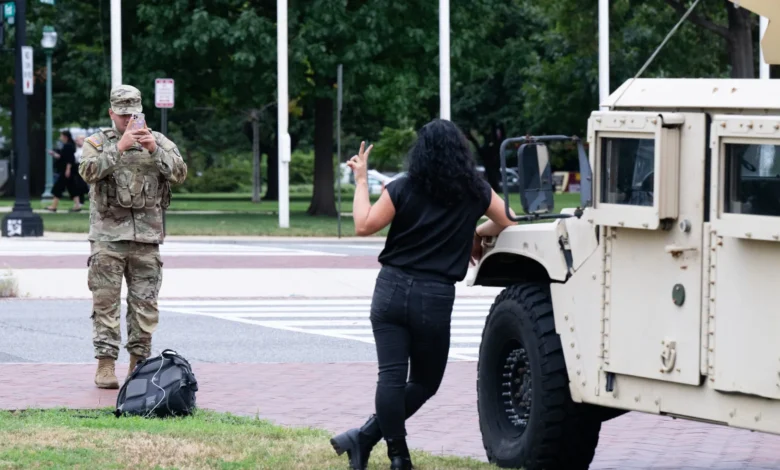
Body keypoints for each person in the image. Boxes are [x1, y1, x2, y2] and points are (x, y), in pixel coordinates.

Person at [329, 119, 516, 470]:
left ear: (421, 152)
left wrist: (359, 180)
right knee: (425, 382)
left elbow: (363, 224)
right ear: (461, 151)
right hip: (434, 297)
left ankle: (383, 448)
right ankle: (381, 447)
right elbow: (510, 220)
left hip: (390, 289)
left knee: (391, 377)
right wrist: (476, 230)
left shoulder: (403, 187)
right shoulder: (475, 190)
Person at [79, 84, 187, 389]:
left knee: (145, 305)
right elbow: (86, 172)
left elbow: (179, 174)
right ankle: (105, 364)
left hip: (147, 240)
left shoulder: (159, 142)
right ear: (111, 113)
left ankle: (139, 365)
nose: (128, 121)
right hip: (107, 239)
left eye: (133, 115)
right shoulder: (97, 142)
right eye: (122, 115)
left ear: (141, 113)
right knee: (106, 304)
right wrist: (120, 147)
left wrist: (153, 149)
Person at [45, 130, 84, 212]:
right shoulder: (67, 146)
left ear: (65, 137)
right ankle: (77, 206)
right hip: (67, 170)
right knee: (72, 188)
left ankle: (53, 206)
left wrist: (68, 169)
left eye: (61, 136)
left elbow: (69, 159)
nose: (60, 138)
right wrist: (53, 154)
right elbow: (62, 157)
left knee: (58, 187)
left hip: (66, 171)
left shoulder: (68, 146)